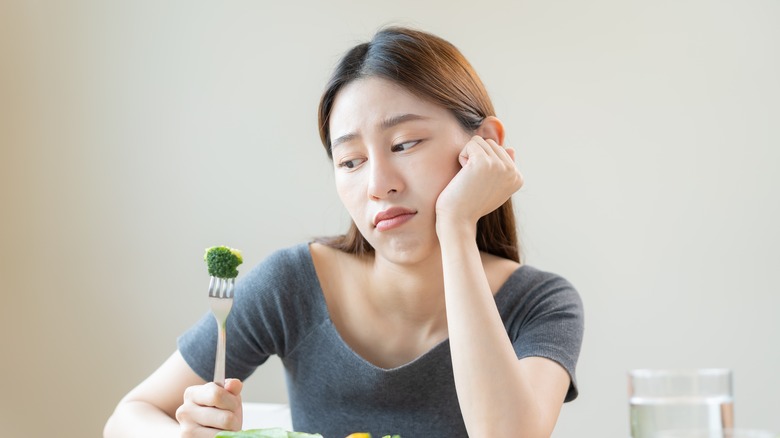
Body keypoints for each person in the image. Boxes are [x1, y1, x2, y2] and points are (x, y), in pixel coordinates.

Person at [104, 26, 584, 438]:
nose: (378, 185)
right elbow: (128, 417)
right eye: (351, 161)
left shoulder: (541, 304)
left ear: (485, 146)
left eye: (405, 143)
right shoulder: (291, 284)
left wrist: (457, 226)